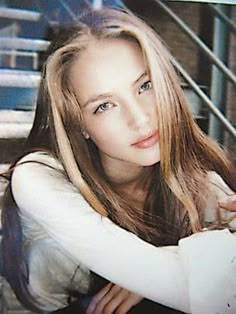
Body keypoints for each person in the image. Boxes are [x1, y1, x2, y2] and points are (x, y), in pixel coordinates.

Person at [1, 7, 236, 314]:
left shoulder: (196, 183)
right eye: (104, 106)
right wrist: (167, 271)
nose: (139, 119)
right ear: (79, 125)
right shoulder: (37, 178)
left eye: (145, 86)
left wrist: (164, 264)